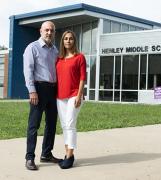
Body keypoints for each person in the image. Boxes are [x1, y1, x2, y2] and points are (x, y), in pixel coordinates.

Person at [23, 21, 61, 170]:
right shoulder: (32, 47)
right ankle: (29, 158)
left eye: (52, 30)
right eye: (46, 30)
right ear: (40, 31)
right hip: (38, 89)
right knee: (34, 125)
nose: (49, 33)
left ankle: (46, 154)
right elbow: (28, 70)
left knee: (51, 124)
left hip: (53, 90)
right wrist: (32, 90)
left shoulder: (55, 50)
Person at [56, 30, 86, 169]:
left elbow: (82, 78)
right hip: (60, 96)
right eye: (65, 39)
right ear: (62, 41)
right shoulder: (59, 59)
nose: (68, 41)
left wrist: (79, 96)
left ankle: (69, 156)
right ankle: (67, 153)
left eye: (71, 39)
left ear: (74, 41)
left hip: (74, 95)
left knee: (70, 124)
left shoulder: (80, 57)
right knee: (64, 126)